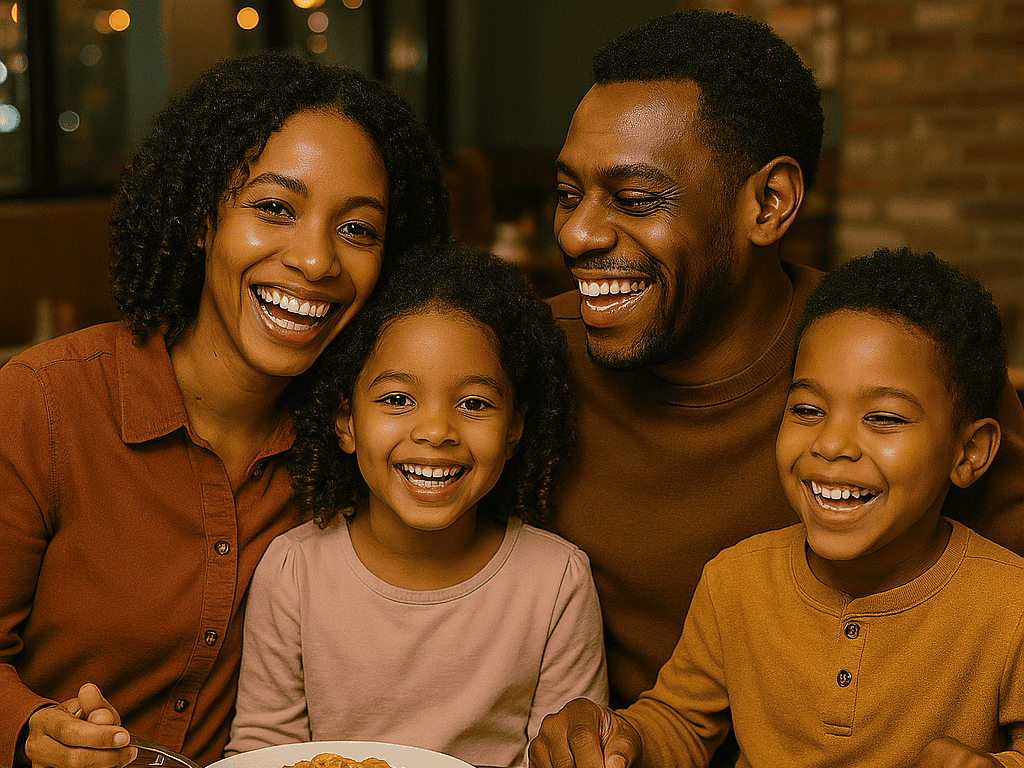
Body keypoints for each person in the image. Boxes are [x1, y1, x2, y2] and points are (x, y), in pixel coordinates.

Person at [544, 9, 1024, 719]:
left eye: (636, 200)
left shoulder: (909, 361)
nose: (577, 233)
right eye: (566, 195)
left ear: (769, 203)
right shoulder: (522, 359)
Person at [0, 51, 448, 768]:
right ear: (199, 218)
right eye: (274, 209)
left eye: (358, 229)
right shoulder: (44, 402)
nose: (316, 260)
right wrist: (28, 729)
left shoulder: (369, 443)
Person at [531, 248, 1024, 768]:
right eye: (807, 410)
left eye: (883, 418)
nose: (830, 444)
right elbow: (680, 723)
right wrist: (619, 737)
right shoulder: (736, 580)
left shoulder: (1012, 605)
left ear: (969, 453)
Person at [225, 243, 608, 768]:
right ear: (346, 421)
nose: (435, 431)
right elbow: (265, 751)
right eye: (397, 400)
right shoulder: (293, 571)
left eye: (473, 403)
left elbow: (565, 754)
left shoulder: (557, 581)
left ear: (514, 429)